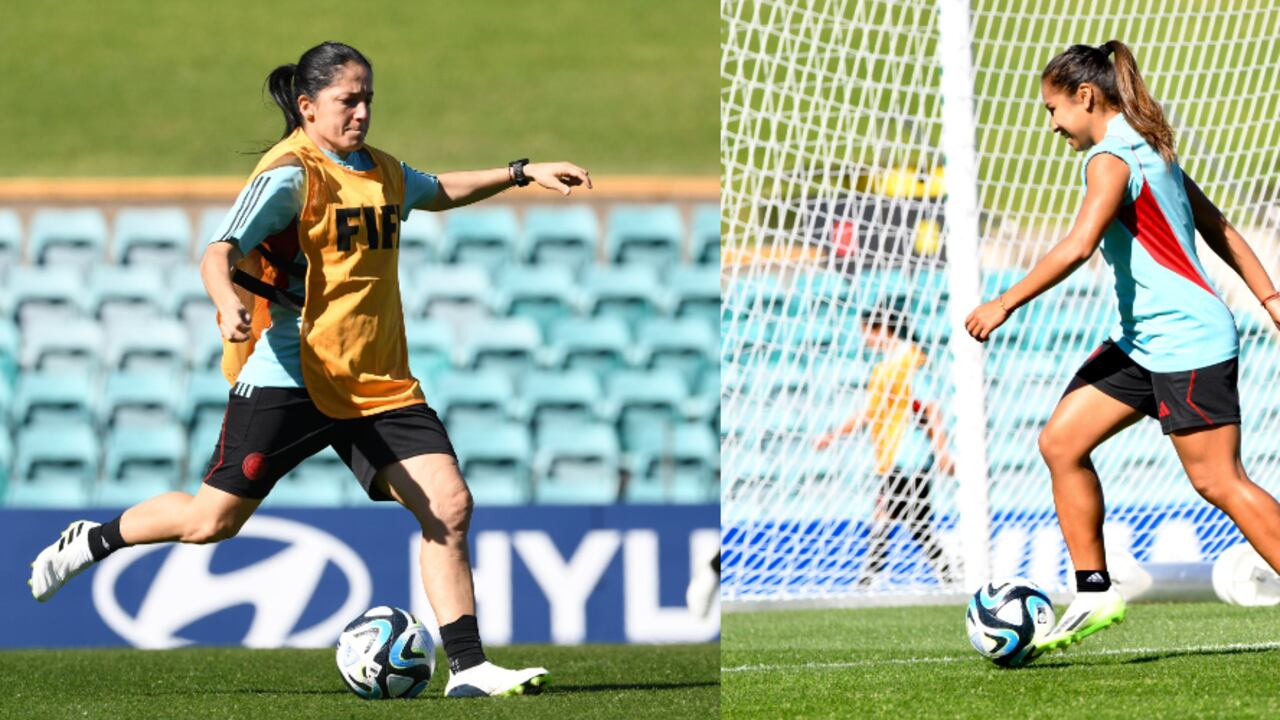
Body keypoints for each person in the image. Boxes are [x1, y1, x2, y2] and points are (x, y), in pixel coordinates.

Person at [29, 41, 592, 698]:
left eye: (368, 100)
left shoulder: (378, 170)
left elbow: (435, 191)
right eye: (348, 100)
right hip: (291, 377)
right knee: (209, 524)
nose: (362, 112)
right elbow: (218, 253)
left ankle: (468, 670)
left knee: (448, 506)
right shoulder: (290, 175)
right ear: (307, 106)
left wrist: (520, 172)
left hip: (376, 383)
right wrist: (228, 303)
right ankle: (92, 540)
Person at [964, 40, 1280, 656]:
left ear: (1086, 96)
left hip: (1188, 340)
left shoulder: (1112, 159)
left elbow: (1079, 245)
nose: (1051, 123)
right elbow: (1220, 229)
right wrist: (1270, 299)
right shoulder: (1152, 149)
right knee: (1060, 441)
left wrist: (1003, 302)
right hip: (1143, 341)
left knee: (1219, 481)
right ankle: (1094, 591)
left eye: (1054, 109)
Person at [816, 298, 956, 587]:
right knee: (916, 523)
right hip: (892, 455)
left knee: (885, 511)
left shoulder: (911, 361)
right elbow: (869, 413)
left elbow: (930, 406)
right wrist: (834, 434)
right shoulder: (883, 369)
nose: (864, 338)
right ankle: (948, 576)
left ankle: (868, 579)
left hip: (910, 455)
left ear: (882, 330)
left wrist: (942, 449)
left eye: (867, 330)